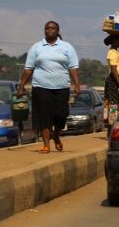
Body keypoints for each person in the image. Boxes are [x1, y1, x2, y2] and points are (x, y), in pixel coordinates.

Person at [16, 21, 80, 153]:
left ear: (58, 30)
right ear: (44, 30)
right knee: (44, 116)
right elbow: (28, 69)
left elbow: (73, 67)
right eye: (47, 28)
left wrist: (77, 84)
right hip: (41, 87)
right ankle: (46, 144)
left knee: (61, 116)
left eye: (53, 28)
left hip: (61, 87)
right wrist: (21, 86)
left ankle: (56, 135)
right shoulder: (36, 47)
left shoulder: (67, 47)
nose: (50, 30)